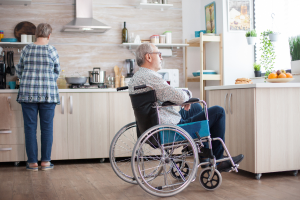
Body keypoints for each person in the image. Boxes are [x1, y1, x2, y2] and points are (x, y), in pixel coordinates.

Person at [128, 43, 244, 172]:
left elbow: (171, 94)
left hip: (157, 123)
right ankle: (216, 160)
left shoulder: (137, 77)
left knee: (194, 107)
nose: (161, 58)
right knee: (218, 112)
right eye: (159, 54)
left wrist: (183, 98)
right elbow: (179, 96)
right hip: (170, 128)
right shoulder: (151, 77)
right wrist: (186, 95)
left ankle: (202, 155)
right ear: (148, 57)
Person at [15, 23, 60, 171]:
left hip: (28, 94)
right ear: (49, 35)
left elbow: (19, 70)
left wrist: (29, 79)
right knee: (46, 128)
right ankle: (46, 162)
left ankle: (32, 162)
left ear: (35, 34)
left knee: (30, 128)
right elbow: (57, 72)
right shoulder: (52, 50)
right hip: (48, 94)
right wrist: (47, 80)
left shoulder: (27, 49)